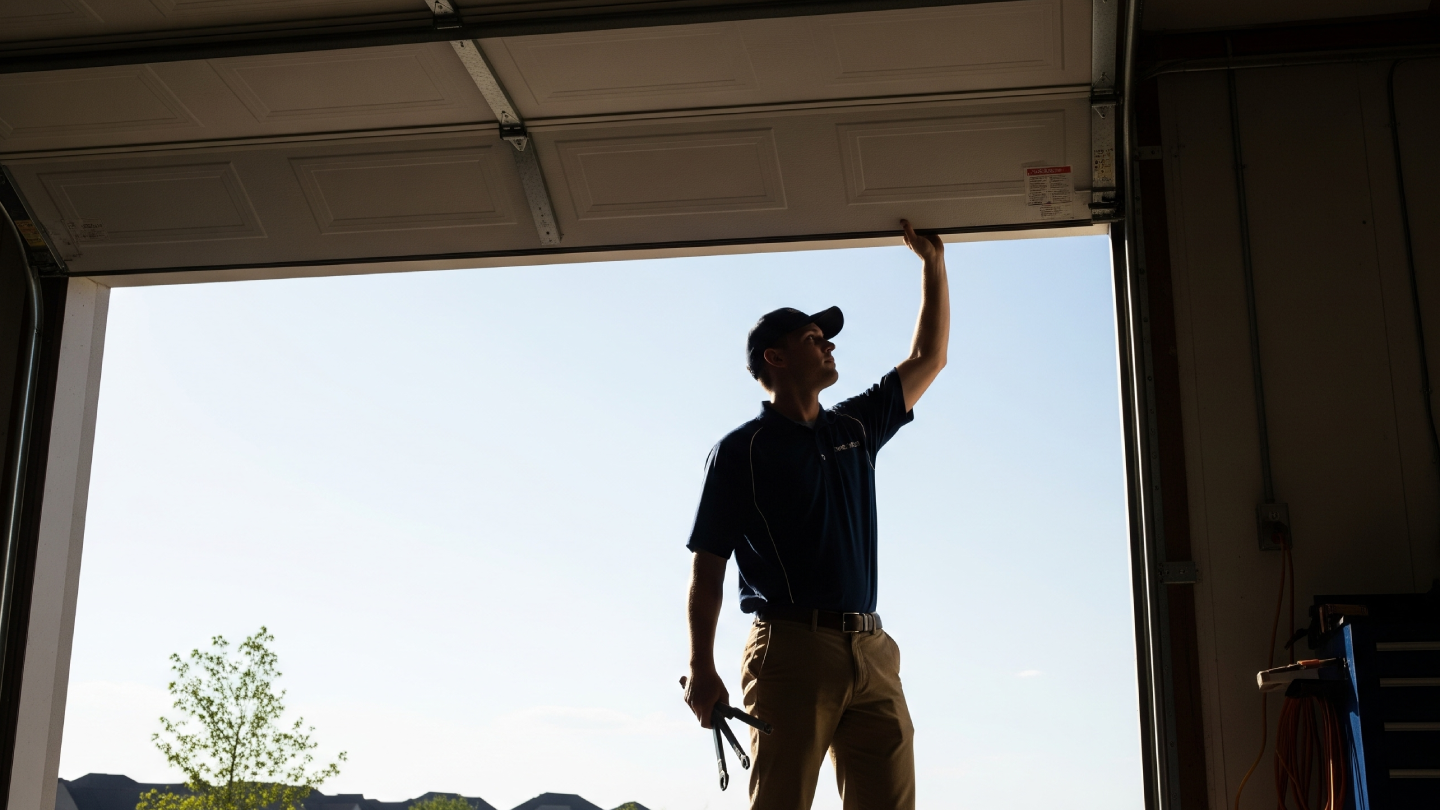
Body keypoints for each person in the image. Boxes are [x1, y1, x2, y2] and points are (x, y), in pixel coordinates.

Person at [682, 219, 950, 810]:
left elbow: (930, 357)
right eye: (814, 339)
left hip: (873, 649)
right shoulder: (741, 451)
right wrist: (701, 668)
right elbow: (708, 569)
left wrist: (933, 262)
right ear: (774, 358)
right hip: (791, 650)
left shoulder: (855, 425)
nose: (829, 346)